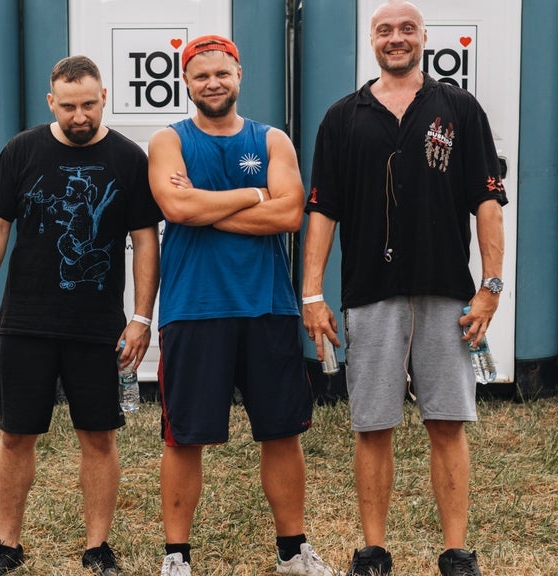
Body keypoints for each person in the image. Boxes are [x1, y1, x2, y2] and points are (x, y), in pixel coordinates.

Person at [301, 2, 506, 576]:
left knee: (448, 423)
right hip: (371, 292)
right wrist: (312, 295)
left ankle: (456, 552)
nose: (396, 38)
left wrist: (490, 287)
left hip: (446, 293)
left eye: (407, 29)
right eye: (385, 30)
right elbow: (322, 211)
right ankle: (373, 550)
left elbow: (488, 203)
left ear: (424, 37)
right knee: (372, 426)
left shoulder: (459, 109)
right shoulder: (343, 117)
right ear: (372, 40)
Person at [0, 55, 162, 576]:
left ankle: (98, 548)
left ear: (105, 98)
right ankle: (6, 545)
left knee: (99, 436)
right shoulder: (22, 150)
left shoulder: (128, 158)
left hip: (97, 326)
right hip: (25, 320)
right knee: (15, 435)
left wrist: (141, 317)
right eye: (69, 106)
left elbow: (145, 241)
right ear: (51, 102)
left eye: (89, 105)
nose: (80, 116)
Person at [148, 35, 336, 576]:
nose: (213, 83)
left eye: (222, 73)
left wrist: (203, 207)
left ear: (239, 75)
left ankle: (293, 552)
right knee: (184, 437)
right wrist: (255, 196)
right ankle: (177, 557)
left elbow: (290, 214)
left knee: (281, 432)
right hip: (193, 307)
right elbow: (176, 207)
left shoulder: (271, 139)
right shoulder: (168, 140)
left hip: (267, 305)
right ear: (186, 81)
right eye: (201, 75)